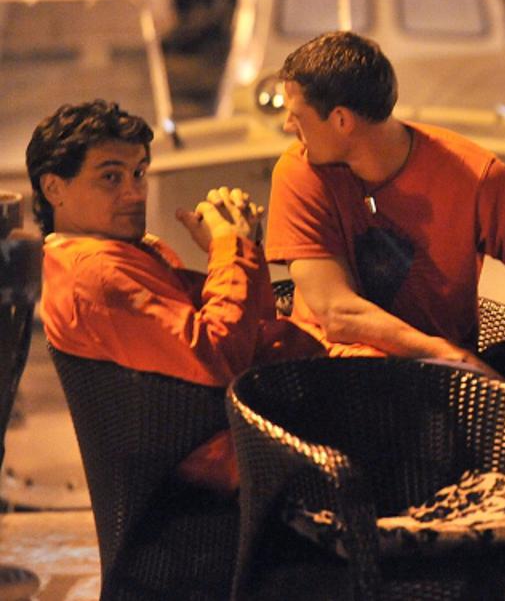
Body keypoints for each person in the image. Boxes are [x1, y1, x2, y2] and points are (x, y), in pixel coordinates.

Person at [263, 31, 505, 496]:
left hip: (457, 377)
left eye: (296, 114)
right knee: (421, 412)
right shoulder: (300, 172)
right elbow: (337, 312)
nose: (289, 126)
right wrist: (444, 354)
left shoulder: (475, 175)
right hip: (344, 376)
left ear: (341, 120)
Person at [26, 100, 317, 492]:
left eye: (139, 173)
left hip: (254, 415)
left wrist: (229, 252)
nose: (134, 193)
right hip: (234, 451)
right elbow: (222, 356)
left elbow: (251, 326)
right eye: (111, 178)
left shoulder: (120, 251)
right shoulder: (94, 273)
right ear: (54, 188)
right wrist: (232, 245)